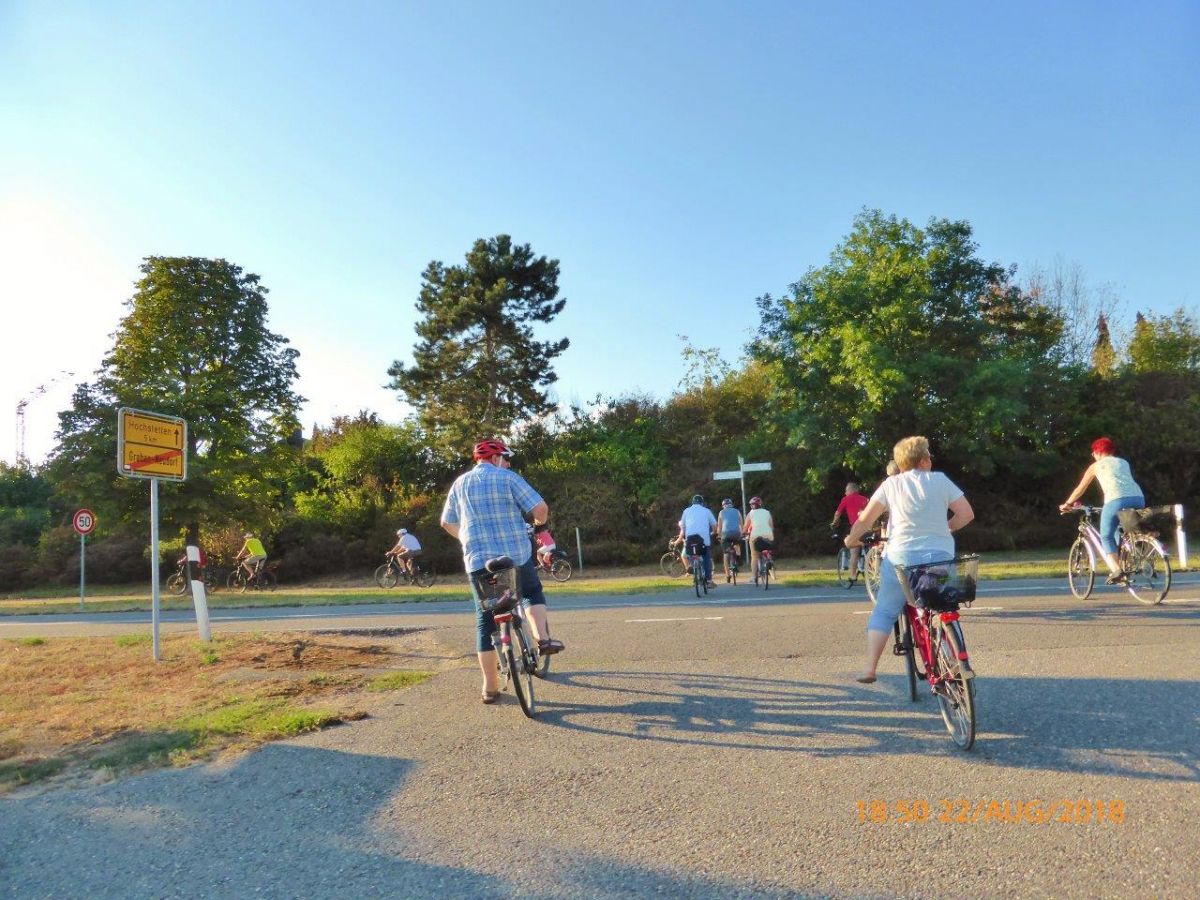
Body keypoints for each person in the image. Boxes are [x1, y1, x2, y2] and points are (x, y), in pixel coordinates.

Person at [441, 438, 564, 705]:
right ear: (496, 458)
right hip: (515, 555)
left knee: (486, 619)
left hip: (479, 561)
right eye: (506, 458)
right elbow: (540, 508)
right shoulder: (508, 478)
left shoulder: (460, 484)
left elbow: (447, 522)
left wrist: (466, 538)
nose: (507, 463)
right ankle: (543, 639)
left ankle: (490, 687)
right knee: (531, 592)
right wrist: (539, 526)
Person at [846, 436, 974, 684]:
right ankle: (955, 659)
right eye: (929, 456)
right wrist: (946, 528)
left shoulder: (891, 485)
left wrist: (851, 539)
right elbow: (966, 514)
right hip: (940, 559)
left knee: (885, 610)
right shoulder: (940, 480)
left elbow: (866, 520)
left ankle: (870, 668)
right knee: (944, 606)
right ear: (924, 461)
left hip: (901, 559)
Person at [1060, 437, 1145, 584]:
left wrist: (1067, 504)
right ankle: (1132, 555)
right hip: (1138, 498)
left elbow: (1080, 489)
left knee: (1106, 536)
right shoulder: (1123, 462)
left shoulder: (1096, 466)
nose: (1093, 455)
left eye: (1093, 453)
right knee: (1123, 529)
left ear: (1098, 452)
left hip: (1115, 499)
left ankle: (1117, 570)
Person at [831, 482, 870, 587]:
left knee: (854, 551)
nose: (845, 492)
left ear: (851, 490)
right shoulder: (865, 499)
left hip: (856, 527)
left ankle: (853, 576)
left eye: (846, 490)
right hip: (868, 527)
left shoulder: (846, 499)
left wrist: (834, 523)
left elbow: (838, 513)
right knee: (870, 546)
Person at [678, 494, 718, 587]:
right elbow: (714, 525)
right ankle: (709, 581)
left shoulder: (686, 511)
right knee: (706, 558)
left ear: (692, 503)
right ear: (702, 503)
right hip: (703, 540)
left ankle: (695, 575)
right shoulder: (706, 511)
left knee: (691, 555)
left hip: (690, 539)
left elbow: (682, 526)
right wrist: (713, 532)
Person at [742, 496, 776, 584]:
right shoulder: (767, 512)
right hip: (768, 535)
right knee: (768, 548)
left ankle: (754, 577)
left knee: (754, 557)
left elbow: (746, 527)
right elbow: (771, 526)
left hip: (755, 536)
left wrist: (744, 533)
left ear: (751, 505)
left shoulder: (750, 513)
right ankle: (769, 560)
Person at [716, 498, 743, 582]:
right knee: (737, 545)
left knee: (725, 554)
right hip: (736, 533)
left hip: (725, 534)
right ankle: (738, 559)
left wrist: (719, 535)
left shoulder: (721, 512)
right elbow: (741, 524)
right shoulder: (737, 511)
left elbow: (719, 527)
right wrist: (742, 533)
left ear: (723, 506)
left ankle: (728, 575)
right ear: (731, 505)